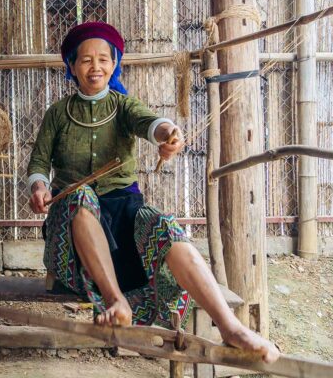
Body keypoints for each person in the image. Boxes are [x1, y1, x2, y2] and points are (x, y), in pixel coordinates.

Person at [26, 21, 279, 363]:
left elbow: (151, 124)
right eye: (85, 60)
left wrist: (168, 133)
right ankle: (117, 300)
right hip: (71, 226)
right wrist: (40, 188)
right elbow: (38, 164)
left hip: (124, 210)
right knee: (80, 196)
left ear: (114, 63)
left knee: (164, 226)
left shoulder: (124, 106)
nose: (95, 67)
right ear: (71, 66)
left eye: (103, 59)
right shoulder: (57, 114)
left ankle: (230, 326)